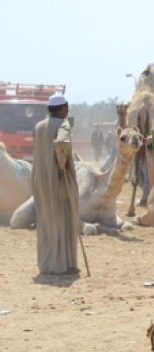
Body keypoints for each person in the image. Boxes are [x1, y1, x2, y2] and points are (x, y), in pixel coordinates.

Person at [32, 93, 80, 275]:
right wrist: (62, 163)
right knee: (64, 219)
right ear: (62, 108)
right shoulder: (63, 124)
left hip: (39, 180)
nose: (67, 110)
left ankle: (47, 264)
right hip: (58, 180)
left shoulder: (39, 126)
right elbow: (61, 142)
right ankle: (63, 265)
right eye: (66, 107)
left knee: (46, 221)